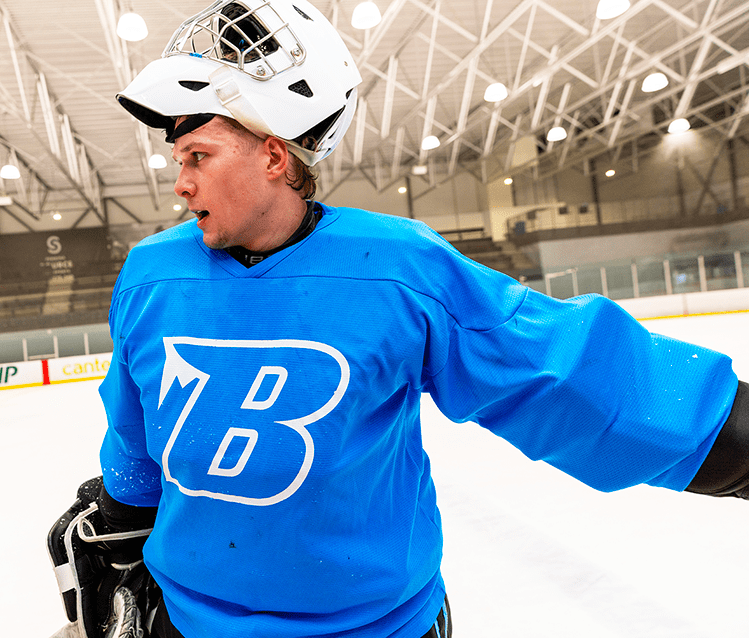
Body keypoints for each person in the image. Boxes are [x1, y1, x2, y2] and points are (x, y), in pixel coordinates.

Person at [47, 1, 749, 637]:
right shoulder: (150, 273)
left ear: (272, 153)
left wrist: (734, 435)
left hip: (378, 629)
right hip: (191, 624)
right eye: (178, 158)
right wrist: (120, 512)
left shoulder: (397, 269)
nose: (181, 181)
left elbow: (557, 370)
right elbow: (136, 429)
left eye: (198, 155)